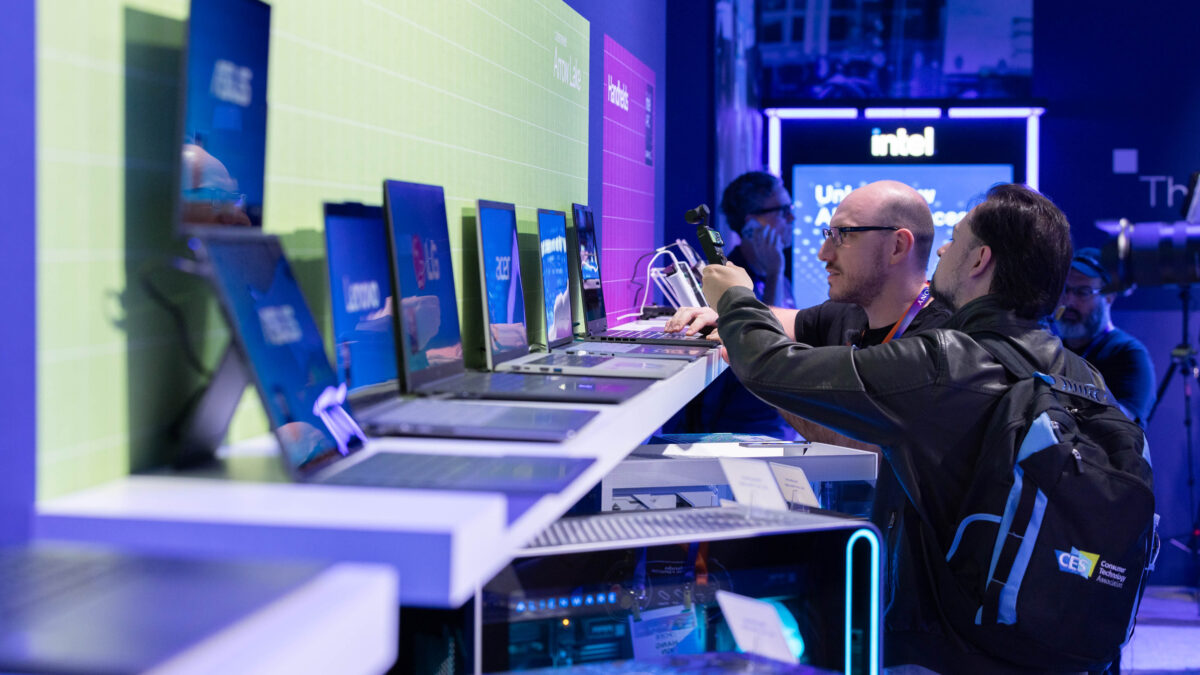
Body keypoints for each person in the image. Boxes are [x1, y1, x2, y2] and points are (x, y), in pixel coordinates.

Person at [703, 183, 1106, 673]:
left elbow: (772, 369)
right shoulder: (1082, 375)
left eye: (955, 238)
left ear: (979, 260)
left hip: (949, 646)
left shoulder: (948, 360)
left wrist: (735, 298)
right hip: (1057, 641)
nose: (941, 248)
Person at [666, 180, 952, 447]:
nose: (823, 253)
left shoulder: (936, 345)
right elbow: (778, 319)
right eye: (829, 235)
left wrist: (746, 344)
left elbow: (866, 448)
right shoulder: (851, 313)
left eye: (842, 236)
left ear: (897, 246)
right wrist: (724, 316)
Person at [1053, 247, 1156, 426]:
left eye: (1082, 292)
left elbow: (1123, 424)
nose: (1069, 301)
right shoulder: (1052, 350)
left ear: (1109, 296)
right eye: (1066, 290)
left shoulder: (1128, 353)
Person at [721, 171, 796, 308]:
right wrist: (774, 274)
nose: (792, 218)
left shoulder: (781, 280)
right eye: (784, 210)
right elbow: (766, 328)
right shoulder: (729, 281)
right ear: (752, 224)